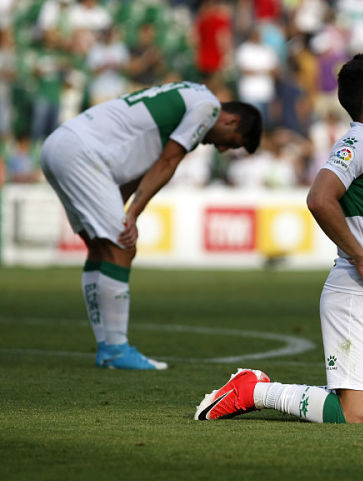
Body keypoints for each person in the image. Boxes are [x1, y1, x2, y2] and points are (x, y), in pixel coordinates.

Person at [194, 48, 363, 424]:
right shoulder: (357, 143)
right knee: (355, 415)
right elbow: (319, 198)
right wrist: (360, 257)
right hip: (358, 296)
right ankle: (253, 390)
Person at [40, 81, 262, 370]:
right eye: (230, 141)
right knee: (121, 246)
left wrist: (124, 207)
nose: (221, 149)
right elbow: (168, 162)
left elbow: (145, 165)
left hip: (61, 145)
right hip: (83, 154)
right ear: (231, 120)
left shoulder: (190, 96)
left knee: (100, 249)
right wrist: (131, 214)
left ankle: (108, 348)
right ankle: (116, 349)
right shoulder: (208, 107)